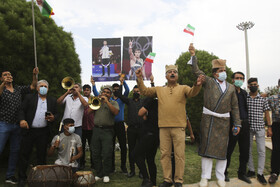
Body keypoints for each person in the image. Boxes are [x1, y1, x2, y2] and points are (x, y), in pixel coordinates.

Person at [135, 65, 204, 187]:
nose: (172, 73)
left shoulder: (183, 88)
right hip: (163, 127)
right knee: (165, 155)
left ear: (177, 75)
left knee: (179, 155)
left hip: (179, 127)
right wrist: (139, 78)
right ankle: (167, 179)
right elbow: (145, 91)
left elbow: (192, 92)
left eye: (174, 72)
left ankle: (178, 180)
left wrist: (197, 84)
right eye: (170, 72)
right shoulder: (159, 90)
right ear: (166, 76)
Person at [189, 43, 241, 187]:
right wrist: (193, 55)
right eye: (220, 70)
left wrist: (237, 123)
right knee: (206, 149)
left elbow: (235, 107)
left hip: (224, 121)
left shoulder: (231, 88)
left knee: (222, 150)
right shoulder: (209, 82)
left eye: (224, 70)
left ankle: (220, 177)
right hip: (209, 119)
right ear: (214, 73)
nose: (223, 72)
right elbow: (196, 71)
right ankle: (204, 177)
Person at [0, 67, 38, 185]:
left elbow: (33, 86)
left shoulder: (18, 89)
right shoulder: (2, 89)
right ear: (1, 78)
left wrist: (34, 75)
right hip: (3, 124)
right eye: (5, 75)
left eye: (10, 74)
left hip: (17, 125)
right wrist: (3, 83)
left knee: (15, 151)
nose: (8, 76)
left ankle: (10, 176)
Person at [17, 80, 58, 186]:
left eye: (45, 86)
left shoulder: (52, 100)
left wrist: (53, 117)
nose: (43, 88)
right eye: (41, 86)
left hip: (43, 132)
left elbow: (57, 114)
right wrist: (22, 120)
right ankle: (22, 178)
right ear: (37, 88)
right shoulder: (29, 97)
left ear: (48, 89)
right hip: (29, 130)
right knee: (24, 154)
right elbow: (21, 110)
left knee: (41, 155)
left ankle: (40, 177)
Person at [224, 72, 251, 183]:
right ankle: (224, 173)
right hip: (233, 124)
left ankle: (242, 173)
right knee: (229, 150)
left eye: (241, 78)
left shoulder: (244, 93)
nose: (239, 80)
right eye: (237, 78)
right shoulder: (229, 91)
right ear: (232, 79)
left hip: (245, 124)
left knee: (244, 150)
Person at [89, 85, 119, 183]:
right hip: (96, 130)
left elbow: (115, 112)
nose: (105, 93)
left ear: (110, 94)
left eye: (107, 92)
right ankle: (99, 173)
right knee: (95, 153)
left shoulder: (113, 102)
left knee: (107, 153)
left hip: (107, 131)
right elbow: (88, 111)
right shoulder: (97, 101)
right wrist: (96, 101)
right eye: (104, 92)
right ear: (101, 93)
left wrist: (106, 102)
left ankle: (106, 174)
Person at [114, 85, 145, 178]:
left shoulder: (144, 101)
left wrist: (151, 83)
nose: (136, 93)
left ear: (140, 93)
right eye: (134, 91)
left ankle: (141, 171)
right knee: (131, 150)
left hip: (141, 129)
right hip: (131, 129)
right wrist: (122, 82)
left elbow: (152, 95)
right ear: (133, 92)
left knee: (141, 151)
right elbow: (119, 94)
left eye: (138, 91)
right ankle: (132, 171)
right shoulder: (129, 101)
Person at [134, 76, 159, 187]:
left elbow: (140, 113)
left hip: (148, 133)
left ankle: (146, 179)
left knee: (135, 154)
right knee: (150, 159)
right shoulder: (159, 102)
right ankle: (153, 183)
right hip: (156, 134)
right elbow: (145, 116)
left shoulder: (150, 100)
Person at [246, 77, 272, 185]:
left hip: (260, 127)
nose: (253, 86)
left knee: (261, 151)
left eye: (255, 84)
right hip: (248, 128)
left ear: (258, 86)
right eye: (251, 84)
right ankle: (251, 170)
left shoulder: (263, 99)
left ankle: (260, 173)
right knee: (248, 150)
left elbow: (266, 113)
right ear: (248, 86)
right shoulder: (245, 98)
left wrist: (269, 127)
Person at [111, 76, 130, 173]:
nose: (116, 91)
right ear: (112, 90)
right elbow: (98, 94)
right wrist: (93, 85)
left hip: (120, 124)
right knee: (111, 146)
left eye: (117, 89)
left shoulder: (122, 98)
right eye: (114, 89)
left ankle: (123, 166)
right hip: (111, 125)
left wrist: (123, 81)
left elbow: (127, 90)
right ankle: (112, 166)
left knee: (123, 146)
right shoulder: (109, 99)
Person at [267, 78, 280, 184]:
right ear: (278, 86)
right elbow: (267, 110)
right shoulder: (272, 98)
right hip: (277, 126)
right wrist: (269, 127)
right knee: (276, 149)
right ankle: (274, 173)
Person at [80, 84, 95, 169]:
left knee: (92, 147)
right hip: (82, 126)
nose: (86, 91)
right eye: (85, 90)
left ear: (90, 91)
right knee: (81, 147)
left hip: (92, 127)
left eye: (87, 90)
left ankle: (93, 163)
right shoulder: (80, 99)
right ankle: (82, 163)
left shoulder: (94, 99)